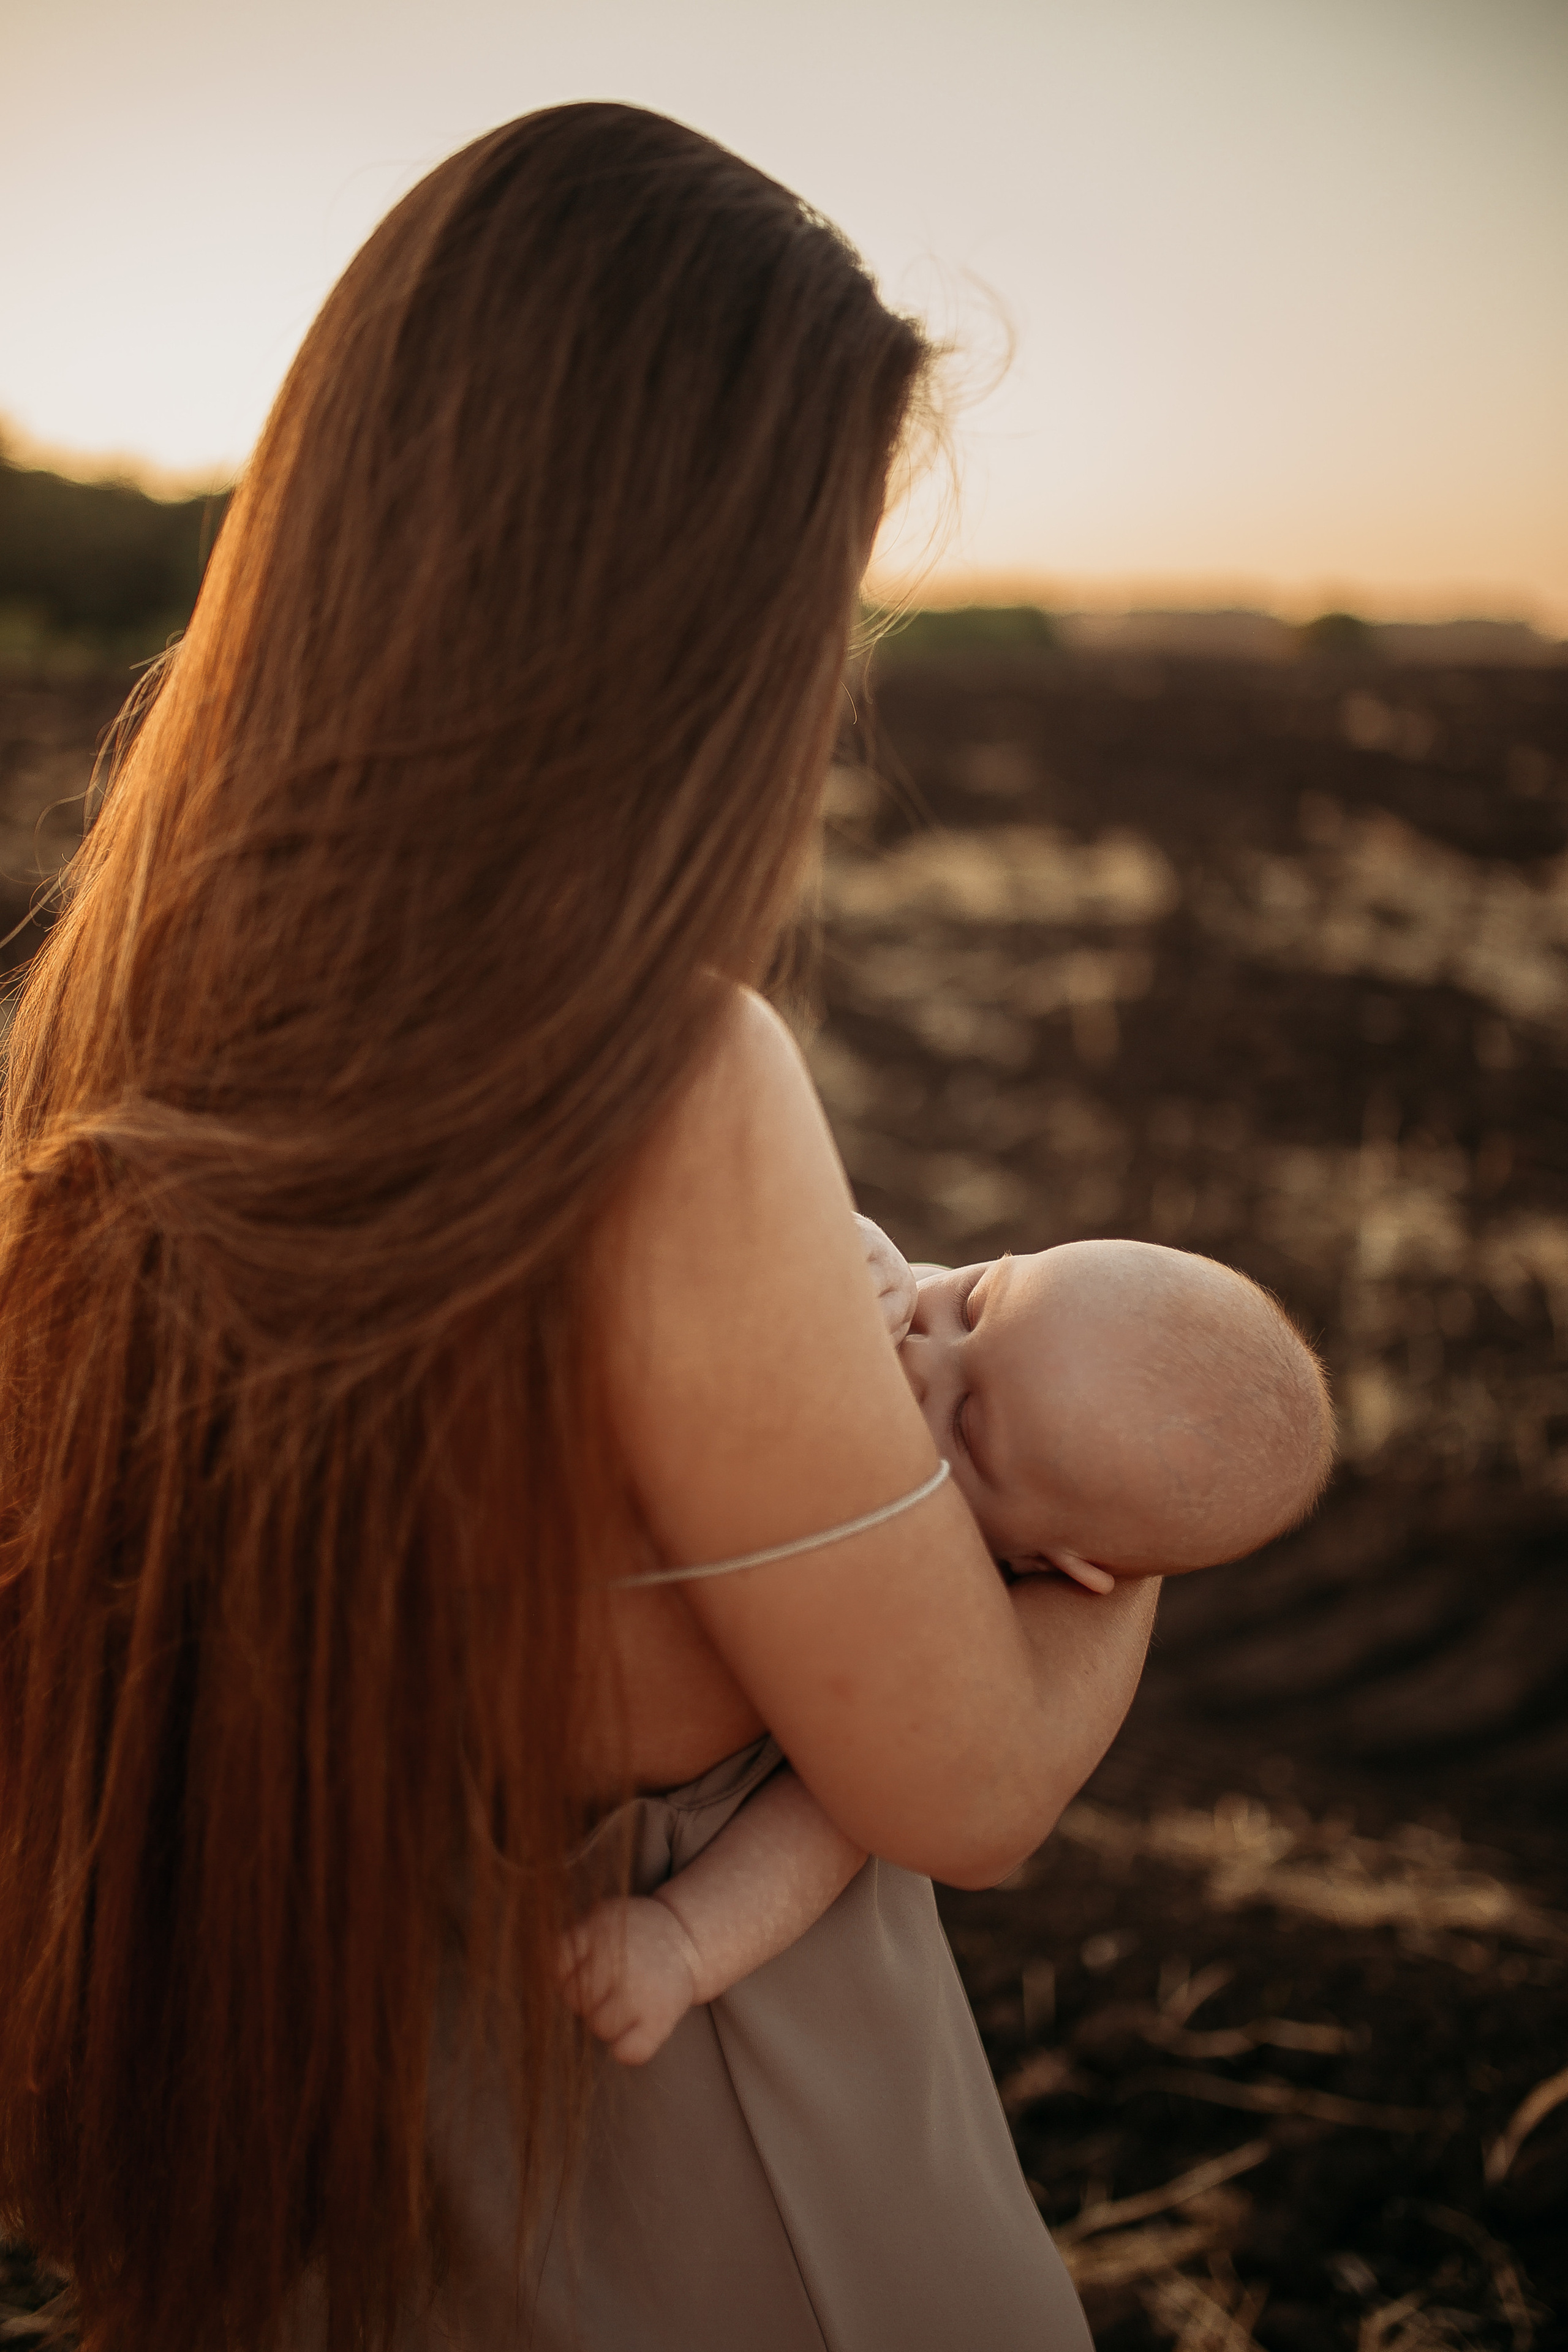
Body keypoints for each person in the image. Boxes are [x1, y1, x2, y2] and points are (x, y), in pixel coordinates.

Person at [0, 106, 1161, 2352]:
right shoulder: (666, 1102)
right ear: (683, 620)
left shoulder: (103, 1061)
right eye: (811, 595)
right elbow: (981, 1783)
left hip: (318, 2245)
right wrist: (1119, 1543)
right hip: (719, 2236)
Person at [562, 1220, 1333, 2065]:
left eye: (966, 1425)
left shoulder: (934, 1642)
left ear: (1046, 1562)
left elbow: (826, 1828)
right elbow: (752, 1218)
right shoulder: (901, 1310)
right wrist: (857, 1250)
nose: (923, 1358)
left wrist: (684, 1942)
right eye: (976, 1299)